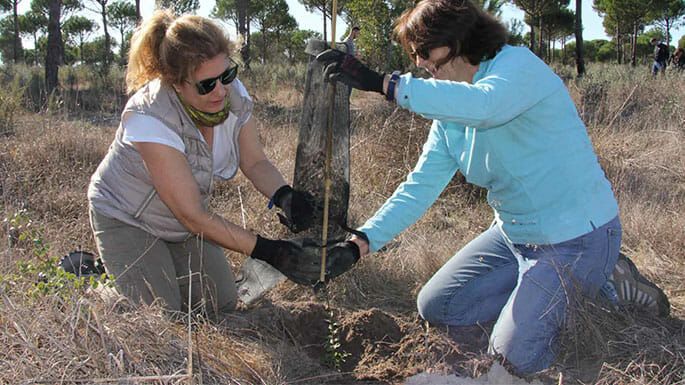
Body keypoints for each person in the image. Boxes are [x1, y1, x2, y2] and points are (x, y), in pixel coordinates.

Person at [317, 0, 669, 375]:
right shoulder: (449, 108)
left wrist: (384, 84)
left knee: (511, 362)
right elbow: (419, 186)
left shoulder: (516, 68)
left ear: (455, 40)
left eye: (423, 51)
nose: (419, 62)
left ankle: (604, 285)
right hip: (513, 237)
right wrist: (361, 243)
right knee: (438, 306)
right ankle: (544, 293)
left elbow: (485, 105)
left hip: (576, 239)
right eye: (413, 54)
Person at [87, 10, 322, 320]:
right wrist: (271, 251)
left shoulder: (231, 94)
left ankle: (153, 274)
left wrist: (284, 195)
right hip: (128, 218)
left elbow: (255, 161)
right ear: (175, 83)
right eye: (206, 84)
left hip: (180, 226)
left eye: (227, 74)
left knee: (219, 304)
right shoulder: (151, 116)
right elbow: (193, 216)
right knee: (161, 318)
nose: (221, 90)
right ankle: (95, 285)